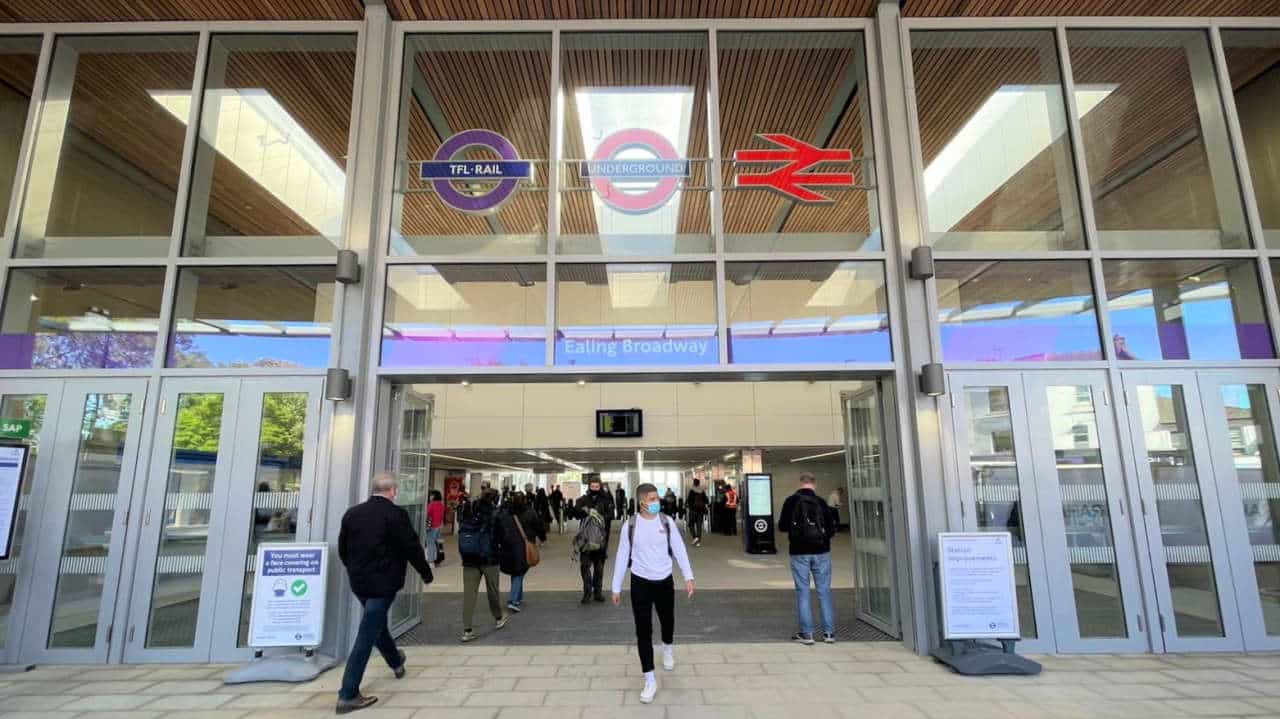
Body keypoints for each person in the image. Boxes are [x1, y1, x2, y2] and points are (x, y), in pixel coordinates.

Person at [336, 473, 433, 714]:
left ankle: (396, 661)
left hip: (359, 582)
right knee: (367, 633)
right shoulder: (395, 515)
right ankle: (348, 694)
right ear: (393, 491)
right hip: (384, 583)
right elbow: (411, 546)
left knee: (376, 624)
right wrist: (425, 573)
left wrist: (354, 569)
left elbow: (343, 548)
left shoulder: (352, 513)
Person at [611, 483, 695, 705]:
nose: (657, 502)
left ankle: (668, 647)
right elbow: (622, 555)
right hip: (640, 583)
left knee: (667, 620)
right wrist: (616, 586)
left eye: (657, 498)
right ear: (641, 502)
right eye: (652, 499)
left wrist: (688, 576)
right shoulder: (631, 525)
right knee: (643, 630)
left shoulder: (666, 522)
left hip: (664, 581)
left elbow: (679, 549)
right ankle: (649, 678)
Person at [777, 473, 839, 645]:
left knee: (803, 592)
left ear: (800, 484)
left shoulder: (791, 501)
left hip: (799, 552)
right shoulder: (821, 502)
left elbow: (782, 526)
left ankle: (807, 634)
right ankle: (829, 634)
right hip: (822, 552)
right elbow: (832, 529)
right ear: (814, 484)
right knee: (824, 591)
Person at [457, 488, 508, 642]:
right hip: (489, 559)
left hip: (469, 559)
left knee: (469, 595)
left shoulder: (469, 510)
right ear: (495, 499)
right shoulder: (495, 514)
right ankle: (498, 618)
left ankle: (467, 630)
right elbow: (502, 536)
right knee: (492, 589)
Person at [569, 474, 616, 603]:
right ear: (589, 487)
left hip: (601, 539)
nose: (595, 488)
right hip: (585, 538)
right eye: (592, 486)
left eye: (597, 486)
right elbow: (575, 513)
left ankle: (598, 592)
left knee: (599, 567)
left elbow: (611, 516)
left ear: (600, 486)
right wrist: (585, 511)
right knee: (585, 566)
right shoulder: (583, 500)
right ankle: (587, 592)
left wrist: (598, 516)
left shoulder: (606, 500)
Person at [498, 491, 545, 613]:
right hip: (524, 546)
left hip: (508, 546)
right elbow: (539, 526)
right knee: (519, 572)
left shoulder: (506, 513)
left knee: (517, 570)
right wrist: (542, 537)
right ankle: (513, 601)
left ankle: (518, 597)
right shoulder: (530, 512)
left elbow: (499, 527)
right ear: (525, 500)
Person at [426, 490, 446, 567]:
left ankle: (431, 561)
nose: (430, 497)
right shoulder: (441, 504)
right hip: (439, 526)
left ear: (434, 496)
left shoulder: (432, 504)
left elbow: (427, 514)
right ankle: (438, 559)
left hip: (432, 527)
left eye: (431, 495)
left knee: (430, 543)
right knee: (438, 543)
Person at [686, 479, 708, 547]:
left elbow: (688, 501)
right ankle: (698, 542)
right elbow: (707, 501)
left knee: (691, 525)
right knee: (699, 527)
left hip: (693, 511)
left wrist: (688, 505)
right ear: (699, 483)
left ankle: (695, 537)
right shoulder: (702, 491)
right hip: (700, 511)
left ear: (694, 483)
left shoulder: (692, 491)